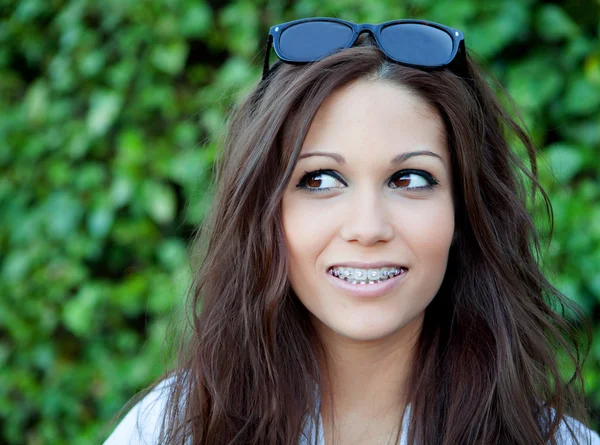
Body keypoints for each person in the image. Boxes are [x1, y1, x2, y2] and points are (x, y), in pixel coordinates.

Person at [102, 17, 600, 445]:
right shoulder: (172, 429)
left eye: (409, 179)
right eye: (319, 180)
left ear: (463, 213)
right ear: (265, 213)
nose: (367, 228)